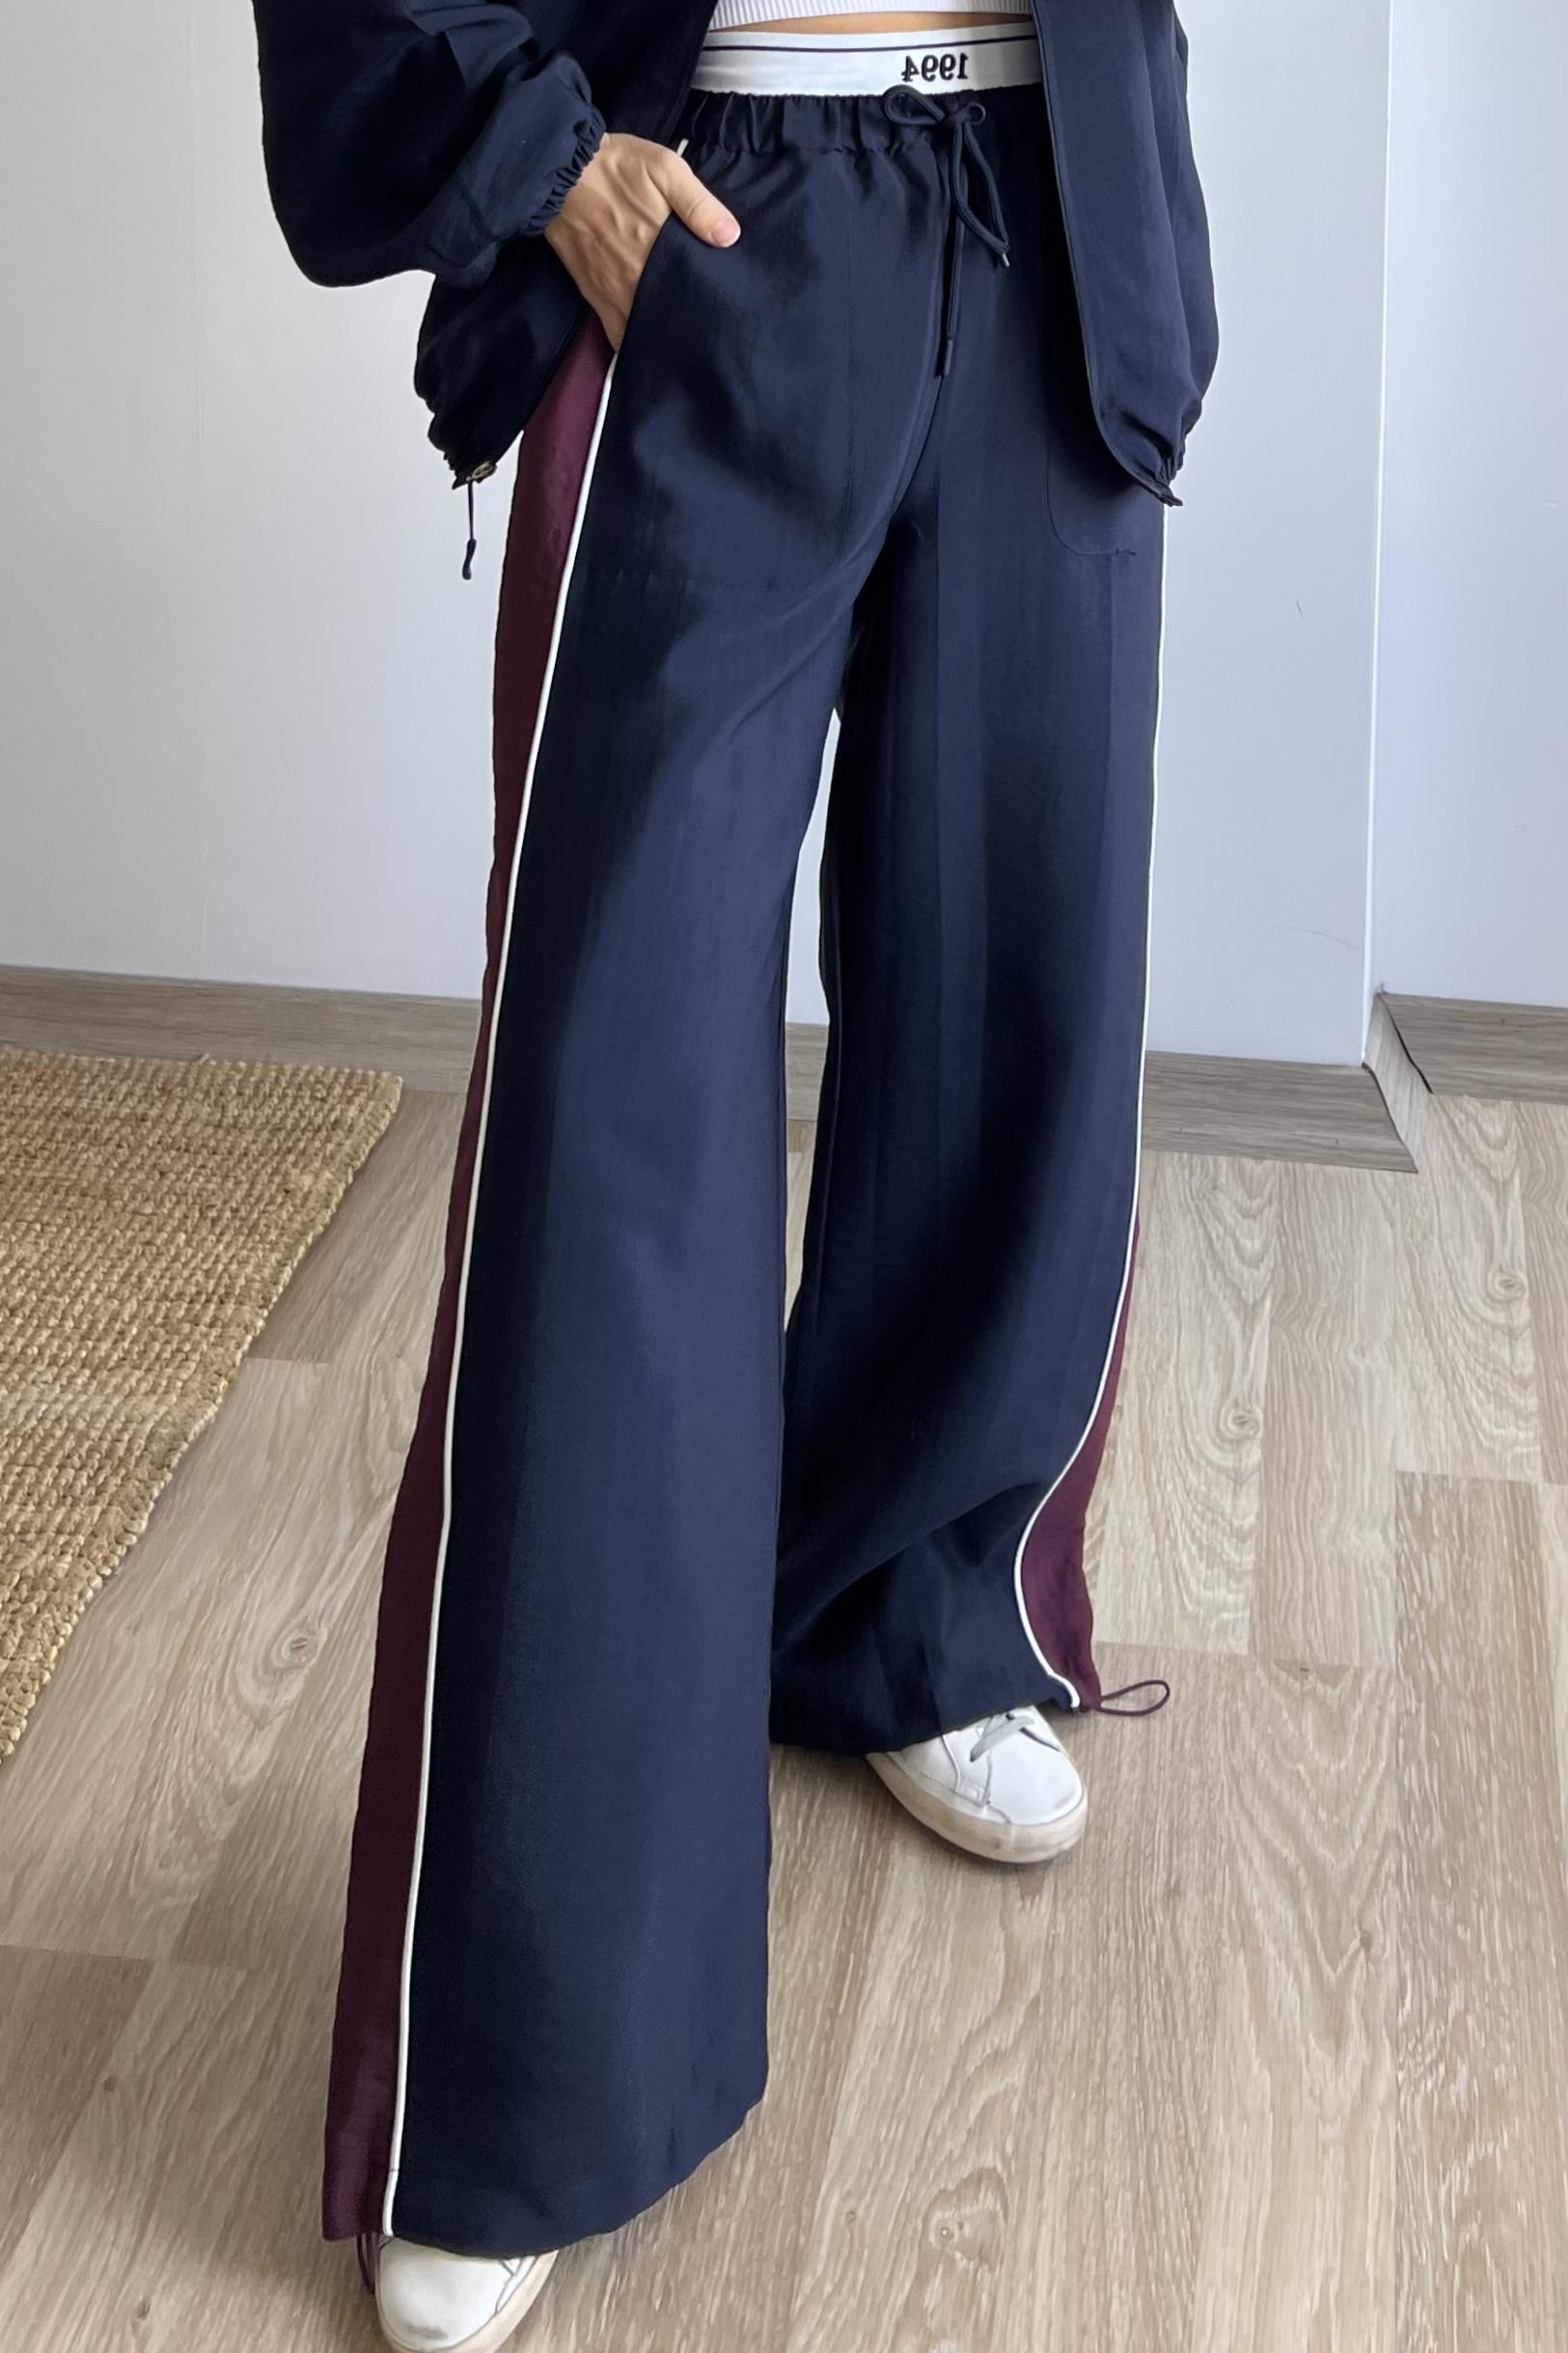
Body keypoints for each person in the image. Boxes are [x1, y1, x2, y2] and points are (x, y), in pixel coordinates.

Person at [249, 1, 1216, 2344]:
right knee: (616, 1110)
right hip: (714, 204)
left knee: (1017, 987)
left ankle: (908, 1615)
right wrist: (536, 155)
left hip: (1048, 199)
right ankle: (534, 2056)